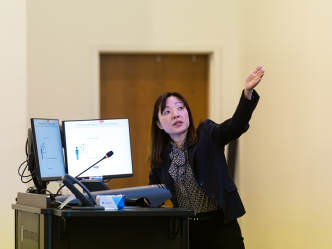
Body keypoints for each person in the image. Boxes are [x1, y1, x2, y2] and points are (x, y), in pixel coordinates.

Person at [147, 65, 265, 248]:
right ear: (159, 124)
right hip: (185, 230)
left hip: (221, 227)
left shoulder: (207, 133)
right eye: (167, 112)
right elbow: (154, 196)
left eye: (180, 108)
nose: (175, 114)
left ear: (187, 113)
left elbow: (235, 126)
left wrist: (247, 93)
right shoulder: (160, 156)